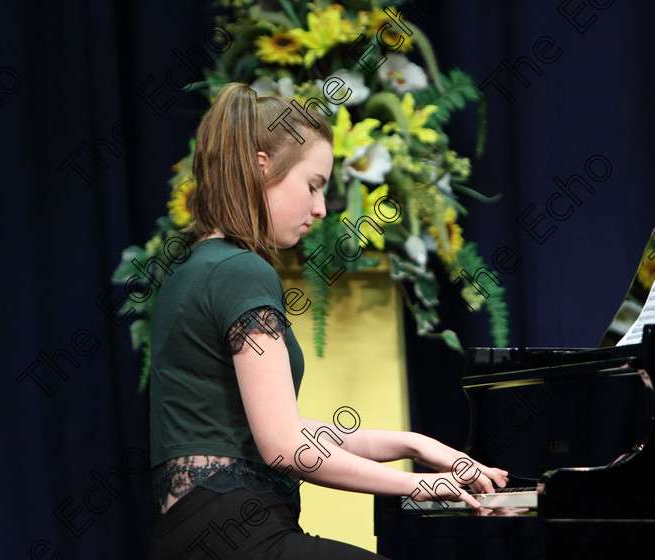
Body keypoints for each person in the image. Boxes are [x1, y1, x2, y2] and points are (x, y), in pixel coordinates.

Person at [147, 82, 509, 559]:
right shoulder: (241, 270)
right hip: (239, 531)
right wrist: (418, 485)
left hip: (194, 531)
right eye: (313, 185)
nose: (320, 208)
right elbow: (284, 446)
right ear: (262, 167)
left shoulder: (190, 267)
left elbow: (280, 428)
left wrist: (415, 444)